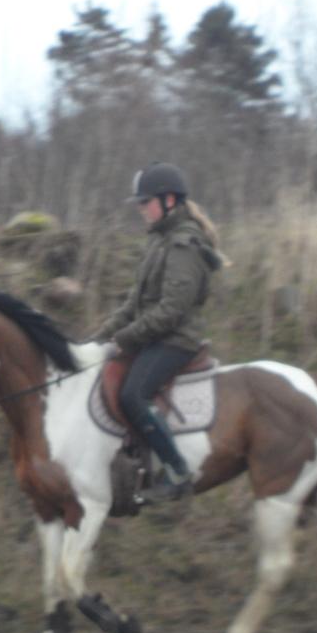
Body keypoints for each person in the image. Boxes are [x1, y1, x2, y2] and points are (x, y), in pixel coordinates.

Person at [92, 162, 227, 503]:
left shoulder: (183, 245)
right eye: (139, 203)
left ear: (168, 200)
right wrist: (97, 338)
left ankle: (177, 469)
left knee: (132, 394)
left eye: (145, 202)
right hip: (154, 334)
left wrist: (124, 338)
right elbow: (133, 304)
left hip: (176, 339)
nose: (140, 209)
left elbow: (171, 311)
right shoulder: (159, 241)